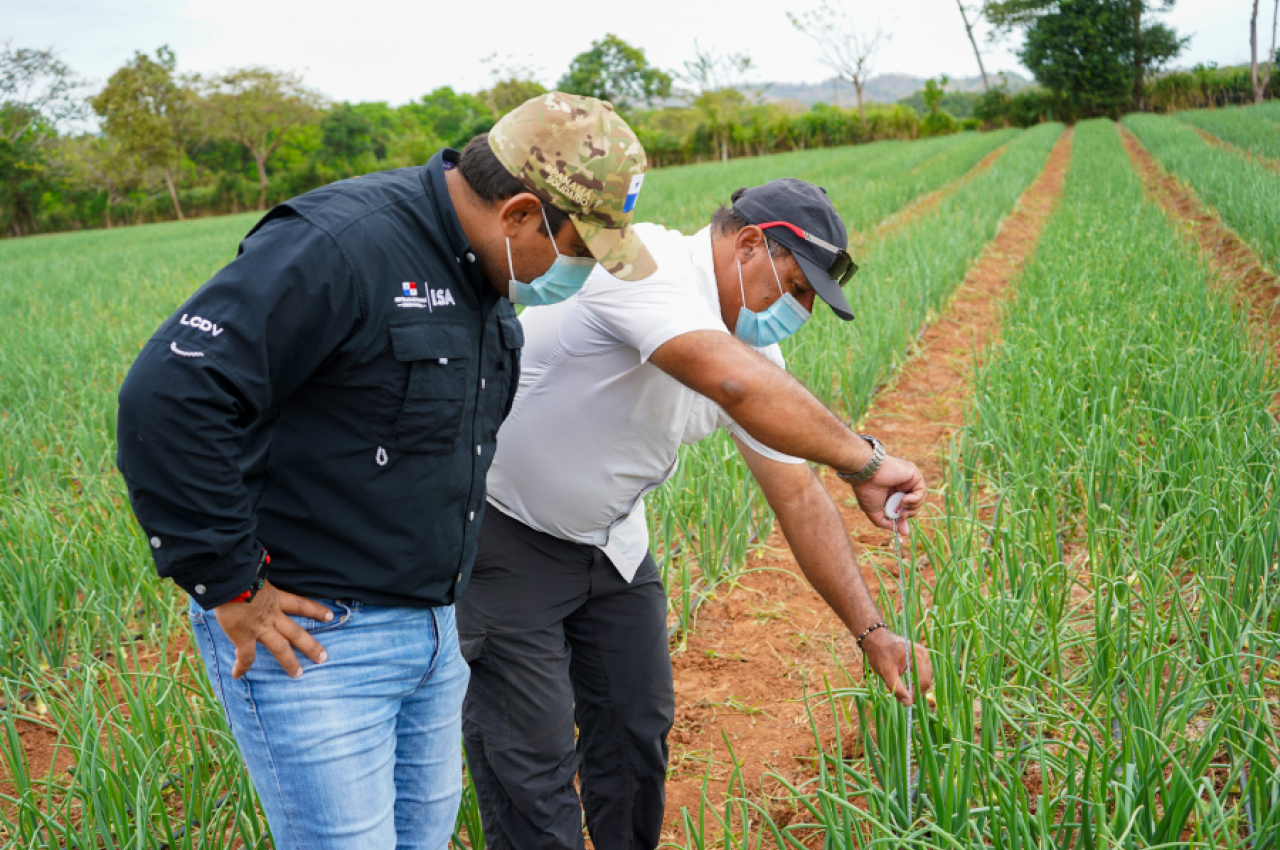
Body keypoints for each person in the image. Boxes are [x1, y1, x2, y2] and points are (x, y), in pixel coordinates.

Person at [115, 93, 655, 850]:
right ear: (521, 215)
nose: (584, 274)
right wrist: (229, 583)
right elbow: (171, 394)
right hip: (317, 641)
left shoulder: (486, 279)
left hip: (434, 634)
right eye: (581, 252)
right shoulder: (342, 246)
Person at [456, 178, 937, 850]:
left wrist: (873, 633)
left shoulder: (749, 343)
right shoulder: (637, 261)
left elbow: (796, 494)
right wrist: (864, 460)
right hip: (508, 536)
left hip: (614, 544)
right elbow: (729, 381)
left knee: (636, 734)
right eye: (795, 289)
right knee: (530, 763)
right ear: (748, 246)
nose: (797, 311)